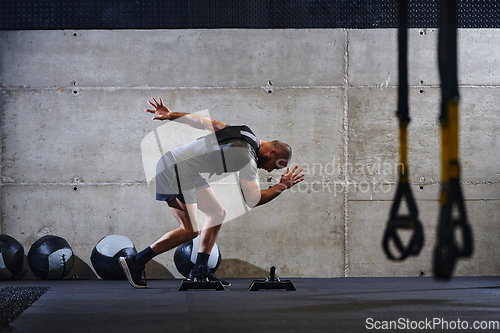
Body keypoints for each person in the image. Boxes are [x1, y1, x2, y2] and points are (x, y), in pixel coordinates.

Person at [119, 97, 305, 288]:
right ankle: (136, 261)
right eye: (276, 165)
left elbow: (203, 122)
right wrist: (282, 186)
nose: (271, 171)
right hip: (175, 168)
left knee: (217, 213)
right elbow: (253, 199)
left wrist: (171, 115)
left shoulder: (245, 133)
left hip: (184, 168)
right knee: (190, 230)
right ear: (273, 152)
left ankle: (200, 271)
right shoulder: (247, 158)